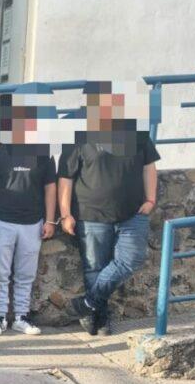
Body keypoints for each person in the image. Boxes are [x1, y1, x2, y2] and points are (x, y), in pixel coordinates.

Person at [60, 81, 160, 335]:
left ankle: (87, 303)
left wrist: (151, 199)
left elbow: (149, 166)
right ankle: (100, 318)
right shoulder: (79, 137)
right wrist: (65, 213)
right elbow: (66, 178)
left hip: (133, 213)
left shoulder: (136, 132)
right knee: (94, 267)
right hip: (91, 214)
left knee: (131, 259)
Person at [0, 137, 56, 336]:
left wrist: (50, 220)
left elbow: (50, 188)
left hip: (32, 223)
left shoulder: (43, 154)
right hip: (0, 221)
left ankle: (21, 317)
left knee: (26, 275)